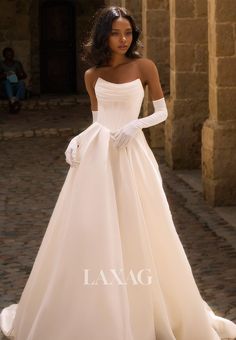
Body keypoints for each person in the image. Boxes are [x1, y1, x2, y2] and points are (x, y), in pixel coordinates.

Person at [0, 6, 236, 340]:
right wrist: (77, 139)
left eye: (128, 32)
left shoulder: (144, 66)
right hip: (98, 159)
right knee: (94, 228)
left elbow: (162, 112)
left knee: (143, 223)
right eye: (116, 33)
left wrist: (134, 125)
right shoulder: (92, 75)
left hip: (133, 154)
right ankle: (99, 307)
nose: (123, 39)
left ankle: (147, 305)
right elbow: (97, 122)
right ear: (104, 36)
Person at [0, 47, 27, 114]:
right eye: (7, 54)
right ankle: (14, 101)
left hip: (16, 86)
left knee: (21, 82)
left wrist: (17, 75)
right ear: (4, 55)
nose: (9, 56)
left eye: (11, 54)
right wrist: (5, 75)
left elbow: (24, 75)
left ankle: (14, 101)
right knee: (7, 82)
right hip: (6, 89)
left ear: (13, 55)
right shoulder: (1, 64)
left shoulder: (17, 63)